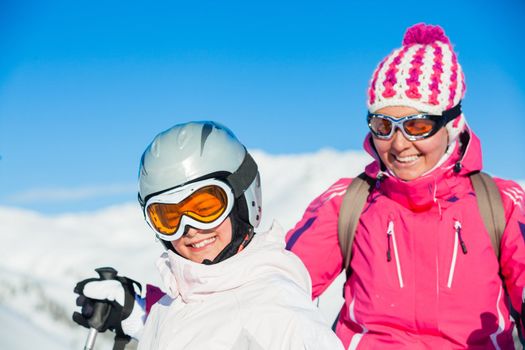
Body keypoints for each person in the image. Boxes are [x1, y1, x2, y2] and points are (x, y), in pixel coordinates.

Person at [285, 23, 525, 349]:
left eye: (417, 125)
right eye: (383, 125)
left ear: (452, 124)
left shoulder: (502, 204)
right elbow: (280, 285)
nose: (398, 144)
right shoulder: (349, 202)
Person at [73, 121, 343, 349]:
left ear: (241, 199)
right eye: (168, 217)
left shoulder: (284, 320)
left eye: (205, 207)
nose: (189, 228)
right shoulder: (177, 304)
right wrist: (136, 310)